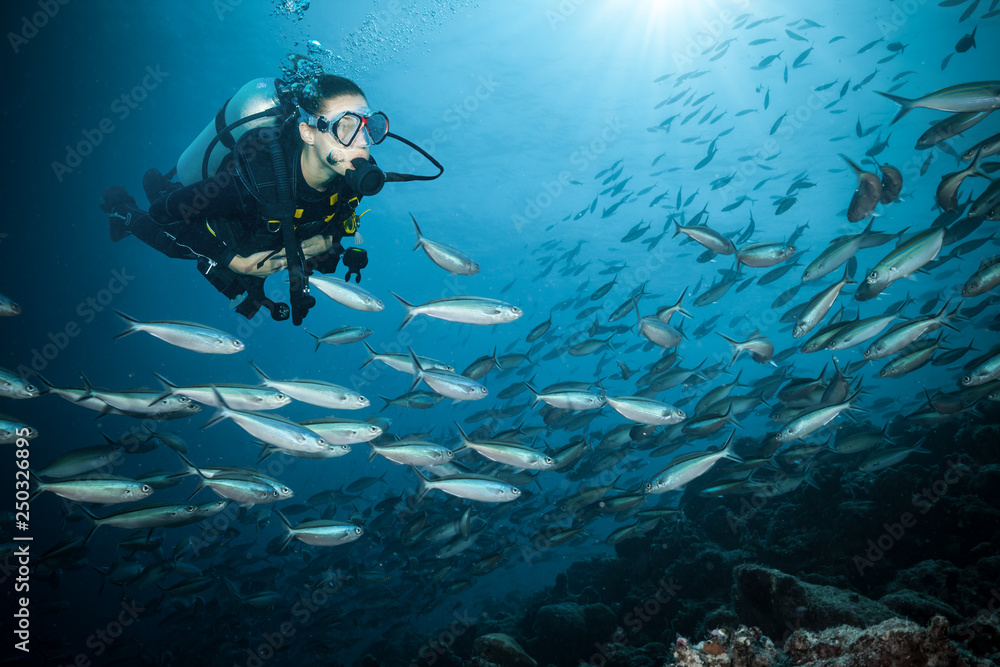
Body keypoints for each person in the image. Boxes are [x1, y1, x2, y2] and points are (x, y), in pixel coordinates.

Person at [100, 73, 435, 323]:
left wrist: (330, 239)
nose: (361, 142)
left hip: (276, 236)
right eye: (346, 127)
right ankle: (123, 209)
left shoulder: (354, 175)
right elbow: (163, 214)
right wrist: (232, 261)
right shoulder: (249, 182)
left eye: (369, 127)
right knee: (173, 243)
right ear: (307, 132)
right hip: (223, 225)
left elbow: (344, 218)